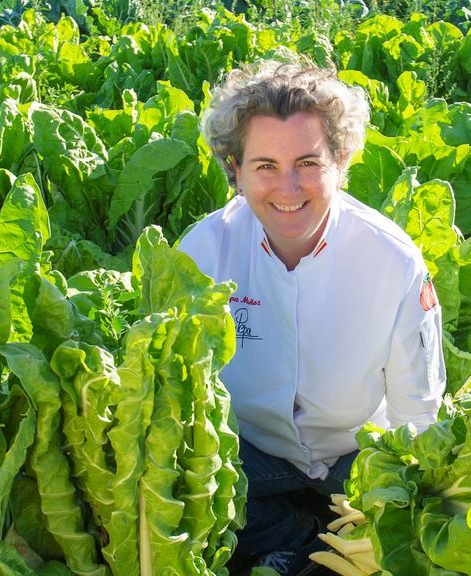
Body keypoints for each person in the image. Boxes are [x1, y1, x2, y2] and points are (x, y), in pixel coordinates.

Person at [178, 59, 446, 576]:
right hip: (249, 457)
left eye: (308, 163)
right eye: (265, 166)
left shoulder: (393, 260)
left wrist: (390, 507)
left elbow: (419, 412)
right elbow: (172, 398)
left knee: (423, 520)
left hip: (355, 460)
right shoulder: (202, 253)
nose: (288, 188)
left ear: (341, 161)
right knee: (175, 482)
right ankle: (302, 538)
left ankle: (299, 539)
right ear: (234, 169)